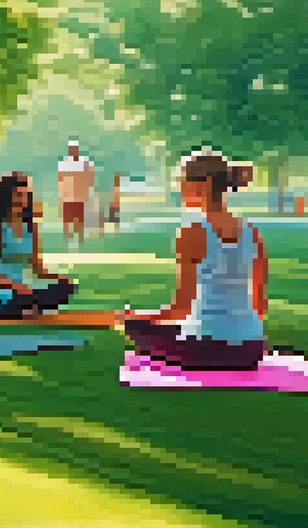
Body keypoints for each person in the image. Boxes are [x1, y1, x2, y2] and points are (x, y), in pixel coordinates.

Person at [119, 151, 269, 370]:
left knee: (134, 326)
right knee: (173, 328)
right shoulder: (252, 232)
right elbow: (260, 306)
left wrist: (140, 316)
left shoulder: (192, 232)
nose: (179, 188)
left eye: (182, 181)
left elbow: (181, 308)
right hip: (251, 349)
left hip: (206, 348)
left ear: (203, 185)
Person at [0, 172, 78, 319]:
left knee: (65, 288)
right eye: (16, 195)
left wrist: (59, 278)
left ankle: (28, 307)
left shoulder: (31, 227)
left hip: (24, 290)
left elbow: (37, 267)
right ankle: (25, 307)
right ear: (5, 197)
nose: (21, 200)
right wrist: (16, 287)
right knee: (17, 297)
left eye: (24, 195)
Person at [58, 140, 96, 246]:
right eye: (71, 150)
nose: (73, 151)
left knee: (79, 220)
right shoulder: (64, 164)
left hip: (80, 196)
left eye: (75, 149)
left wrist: (88, 190)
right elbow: (60, 179)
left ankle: (80, 239)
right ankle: (66, 239)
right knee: (67, 220)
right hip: (68, 197)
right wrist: (62, 193)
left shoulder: (84, 164)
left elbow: (90, 178)